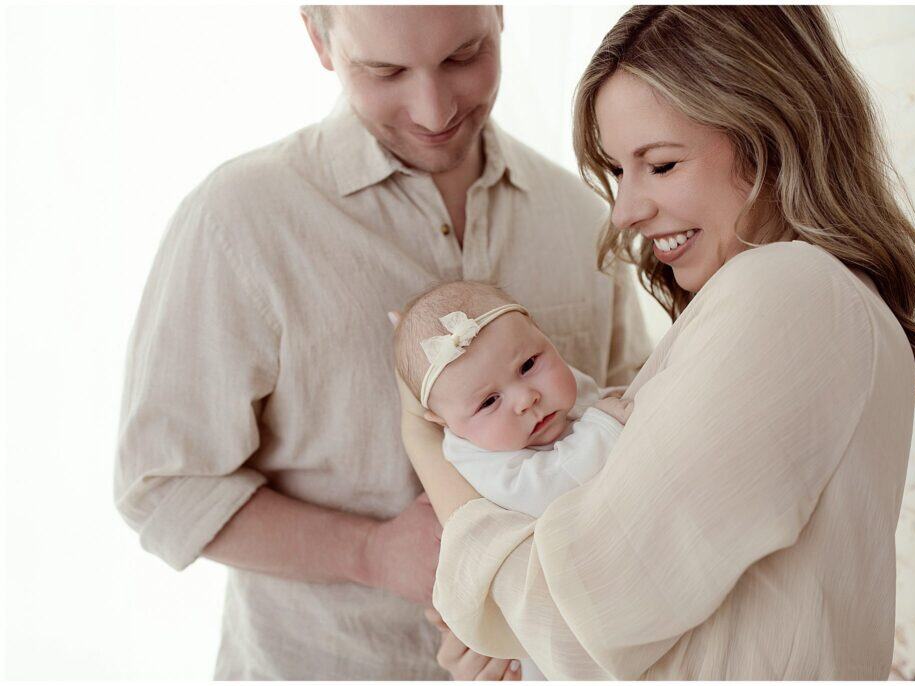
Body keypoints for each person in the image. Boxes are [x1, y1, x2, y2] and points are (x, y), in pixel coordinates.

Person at [398, 6, 915, 680]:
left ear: (771, 134)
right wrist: (505, 638)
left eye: (662, 165)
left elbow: (581, 610)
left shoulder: (790, 291)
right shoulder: (786, 300)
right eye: (618, 171)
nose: (625, 211)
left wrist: (427, 446)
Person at [113, 5, 650, 680]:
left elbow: (634, 442)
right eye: (385, 70)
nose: (433, 110)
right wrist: (369, 552)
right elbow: (163, 485)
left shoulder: (579, 216)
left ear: (501, 13)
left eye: (463, 56)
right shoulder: (239, 219)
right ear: (319, 39)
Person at [393, 280, 634, 680]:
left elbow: (592, 403)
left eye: (528, 365)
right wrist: (608, 425)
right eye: (488, 402)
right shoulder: (471, 456)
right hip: (546, 633)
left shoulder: (546, 404)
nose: (525, 398)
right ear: (444, 424)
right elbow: (546, 488)